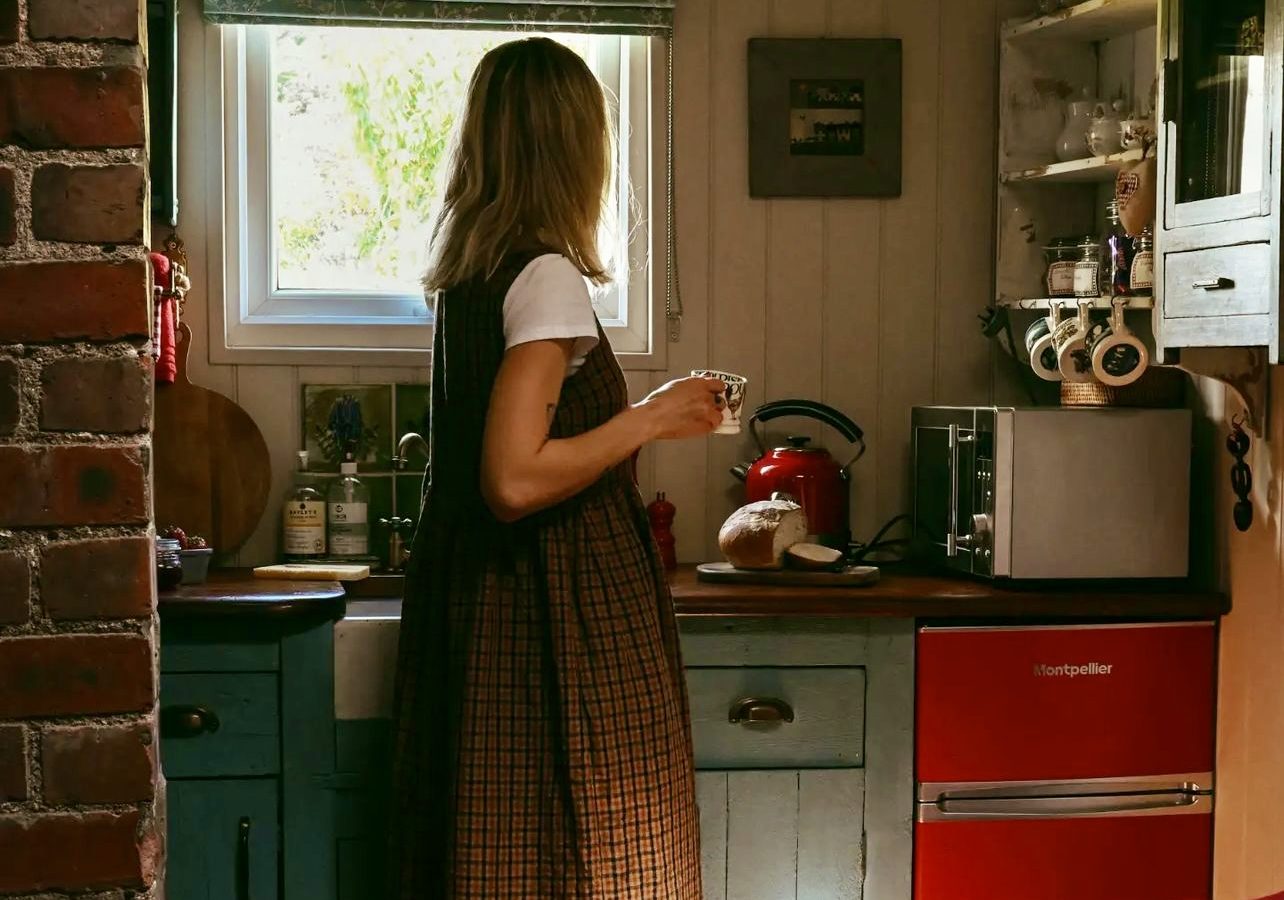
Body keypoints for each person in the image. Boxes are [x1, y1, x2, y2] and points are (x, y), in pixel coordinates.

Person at [390, 36, 725, 899]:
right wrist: (654, 416)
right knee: (604, 856)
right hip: (553, 612)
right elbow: (514, 480)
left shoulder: (472, 273)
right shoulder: (546, 279)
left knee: (491, 855)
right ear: (575, 149)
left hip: (483, 604)